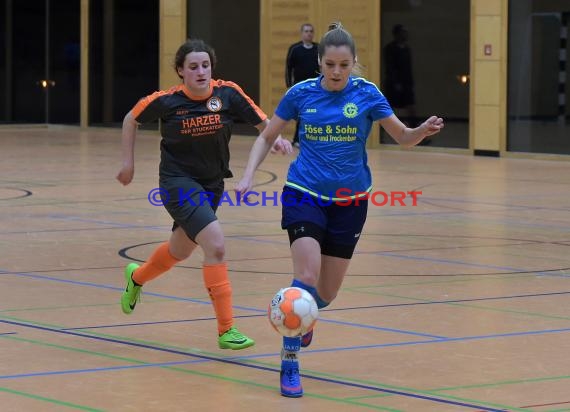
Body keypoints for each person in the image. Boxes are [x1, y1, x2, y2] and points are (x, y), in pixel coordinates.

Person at [236, 23, 443, 397]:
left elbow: (402, 137)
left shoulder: (367, 94)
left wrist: (421, 130)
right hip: (304, 193)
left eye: (343, 65)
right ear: (319, 62)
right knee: (307, 275)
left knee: (326, 293)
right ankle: (290, 360)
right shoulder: (301, 94)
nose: (336, 72)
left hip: (351, 201)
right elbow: (268, 135)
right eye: (329, 64)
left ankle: (307, 312)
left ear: (353, 64)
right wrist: (248, 176)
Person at [116, 39, 292, 351]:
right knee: (217, 245)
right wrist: (127, 164)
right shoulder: (167, 101)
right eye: (193, 67)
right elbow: (131, 118)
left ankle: (138, 277)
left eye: (205, 65)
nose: (201, 72)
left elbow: (264, 124)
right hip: (177, 183)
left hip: (212, 185)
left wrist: (275, 140)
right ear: (180, 71)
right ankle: (227, 330)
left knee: (179, 250)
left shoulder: (228, 94)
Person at [285, 23, 320, 147]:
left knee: (314, 113)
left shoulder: (318, 49)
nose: (309, 33)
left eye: (311, 31)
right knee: (301, 113)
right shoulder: (295, 49)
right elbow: (289, 68)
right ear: (302, 33)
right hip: (300, 88)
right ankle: (298, 139)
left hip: (316, 88)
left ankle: (307, 139)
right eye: (306, 31)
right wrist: (289, 86)